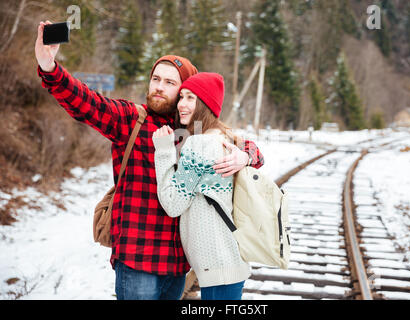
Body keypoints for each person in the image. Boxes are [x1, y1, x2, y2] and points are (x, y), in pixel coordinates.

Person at [34, 21, 264, 300]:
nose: (159, 87)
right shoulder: (132, 119)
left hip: (178, 264)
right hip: (138, 258)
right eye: (156, 79)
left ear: (185, 91)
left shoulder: (194, 130)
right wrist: (50, 69)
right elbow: (88, 103)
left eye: (170, 82)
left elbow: (245, 145)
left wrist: (245, 155)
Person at [152, 72, 250, 300]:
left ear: (205, 105)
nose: (181, 104)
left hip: (218, 264)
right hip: (226, 261)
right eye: (182, 97)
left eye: (190, 98)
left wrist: (164, 152)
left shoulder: (200, 144)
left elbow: (173, 204)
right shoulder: (225, 138)